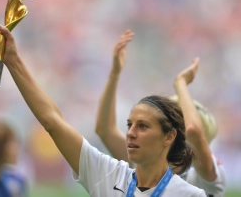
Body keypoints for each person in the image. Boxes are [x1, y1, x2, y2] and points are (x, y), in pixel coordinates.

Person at [0, 25, 207, 197]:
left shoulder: (190, 194)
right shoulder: (107, 173)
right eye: (129, 125)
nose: (130, 132)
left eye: (143, 126)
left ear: (169, 136)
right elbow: (53, 122)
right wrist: (13, 61)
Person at [95, 30, 226, 196]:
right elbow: (105, 130)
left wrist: (181, 84)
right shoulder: (147, 160)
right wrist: (114, 75)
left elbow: (193, 131)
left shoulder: (203, 175)